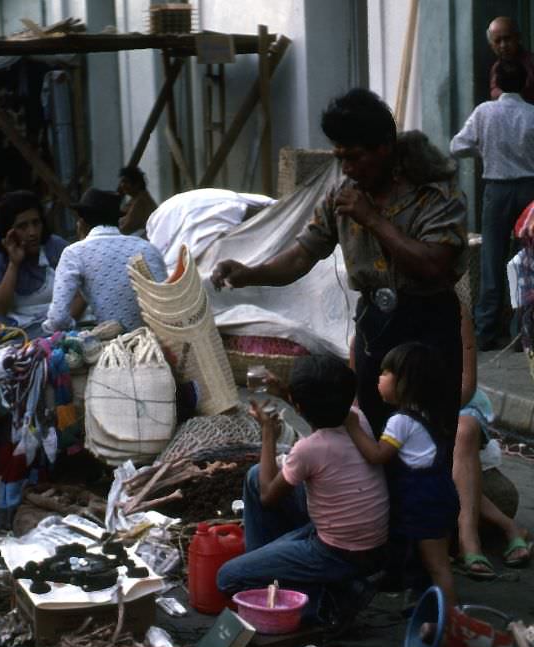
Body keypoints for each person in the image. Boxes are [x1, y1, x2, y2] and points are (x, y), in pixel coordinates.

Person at [212, 89, 468, 441]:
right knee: (375, 430)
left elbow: (434, 265)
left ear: (384, 147)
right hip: (376, 328)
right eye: (340, 157)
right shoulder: (341, 193)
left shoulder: (433, 191)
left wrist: (373, 220)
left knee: (431, 436)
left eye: (355, 157)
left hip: (427, 324)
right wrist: (250, 273)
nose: (346, 168)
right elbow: (303, 254)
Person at [217, 353, 389, 630]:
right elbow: (321, 407)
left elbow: (268, 496)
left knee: (227, 578)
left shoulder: (308, 450)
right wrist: (285, 390)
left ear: (298, 405)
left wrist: (268, 433)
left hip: (337, 552)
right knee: (254, 476)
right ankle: (270, 575)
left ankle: (325, 604)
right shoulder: (356, 416)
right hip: (366, 541)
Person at [345, 342, 459, 609]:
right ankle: (427, 604)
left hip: (425, 502)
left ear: (404, 381)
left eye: (385, 373)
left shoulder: (400, 422)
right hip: (440, 496)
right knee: (431, 561)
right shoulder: (427, 413)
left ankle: (454, 622)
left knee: (438, 566)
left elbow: (376, 455)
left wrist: (352, 427)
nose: (379, 378)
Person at [451, 60, 534, 350]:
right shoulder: (531, 114)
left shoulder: (484, 112)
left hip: (497, 189)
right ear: (526, 83)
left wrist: (484, 149)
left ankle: (486, 330)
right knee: (528, 261)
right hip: (529, 190)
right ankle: (521, 330)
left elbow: (456, 147)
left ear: (496, 82)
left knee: (492, 259)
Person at [454, 304, 531, 575]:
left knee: (463, 430)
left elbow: (466, 385)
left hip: (453, 404)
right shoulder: (379, 307)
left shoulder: (454, 309)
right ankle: (509, 527)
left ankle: (468, 535)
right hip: (408, 404)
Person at [43, 188, 167, 334]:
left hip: (113, 348)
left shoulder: (75, 253)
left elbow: (58, 319)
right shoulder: (146, 247)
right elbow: (167, 303)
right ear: (118, 221)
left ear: (81, 222)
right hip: (157, 345)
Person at [0, 190, 82, 336]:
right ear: (9, 231)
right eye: (22, 226)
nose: (32, 232)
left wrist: (59, 328)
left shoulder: (56, 247)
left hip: (59, 328)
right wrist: (14, 264)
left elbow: (80, 296)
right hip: (20, 331)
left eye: (36, 223)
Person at [487, 16, 534, 103]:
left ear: (518, 37)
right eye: (497, 41)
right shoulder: (495, 69)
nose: (503, 45)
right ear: (491, 45)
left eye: (507, 39)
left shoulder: (531, 63)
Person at [117, 165, 157, 236]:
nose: (122, 185)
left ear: (137, 184)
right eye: (122, 182)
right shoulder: (136, 198)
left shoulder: (141, 201)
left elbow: (126, 228)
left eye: (126, 182)